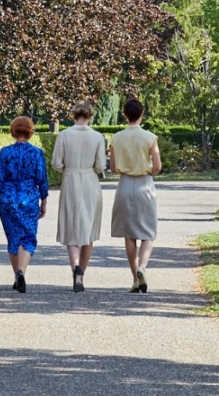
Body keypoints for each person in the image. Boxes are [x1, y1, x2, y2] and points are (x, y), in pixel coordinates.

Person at [0, 116, 49, 293]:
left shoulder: (5, 152)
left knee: (13, 237)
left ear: (13, 131)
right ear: (30, 132)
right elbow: (42, 179)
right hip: (28, 197)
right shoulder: (37, 153)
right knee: (28, 236)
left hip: (7, 198)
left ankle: (17, 274)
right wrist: (44, 201)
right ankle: (21, 271)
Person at [50, 100, 106, 292]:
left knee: (71, 225)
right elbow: (100, 165)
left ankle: (74, 266)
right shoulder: (98, 136)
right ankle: (82, 269)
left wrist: (69, 169)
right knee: (88, 229)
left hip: (71, 180)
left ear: (74, 116)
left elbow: (56, 163)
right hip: (90, 180)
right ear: (90, 116)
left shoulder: (64, 135)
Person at [109, 97, 161, 293]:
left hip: (124, 185)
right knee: (148, 232)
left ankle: (134, 277)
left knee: (129, 234)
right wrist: (148, 171)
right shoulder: (149, 137)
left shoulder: (117, 137)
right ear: (142, 114)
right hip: (144, 184)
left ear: (124, 115)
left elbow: (113, 168)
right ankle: (142, 267)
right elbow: (157, 166)